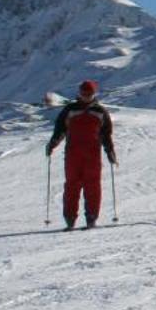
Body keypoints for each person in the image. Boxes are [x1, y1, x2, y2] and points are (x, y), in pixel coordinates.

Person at [47, 79, 116, 230]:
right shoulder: (70, 110)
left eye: (89, 93)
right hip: (73, 154)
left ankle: (91, 219)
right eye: (84, 93)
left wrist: (110, 151)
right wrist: (53, 143)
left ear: (94, 94)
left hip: (93, 155)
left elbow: (106, 134)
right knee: (72, 186)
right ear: (79, 93)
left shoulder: (100, 111)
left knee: (92, 186)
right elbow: (60, 130)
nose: (86, 96)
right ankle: (70, 219)